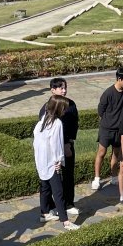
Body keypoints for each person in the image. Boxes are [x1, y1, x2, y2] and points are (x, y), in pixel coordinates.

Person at [34, 96, 80, 230]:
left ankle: (45, 212)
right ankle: (65, 221)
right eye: (64, 108)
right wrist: (59, 160)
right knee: (58, 191)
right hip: (51, 162)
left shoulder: (44, 119)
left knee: (45, 187)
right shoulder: (57, 123)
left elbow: (36, 137)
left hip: (41, 160)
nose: (65, 110)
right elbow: (57, 144)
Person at [40, 78, 79, 219]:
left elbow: (74, 124)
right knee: (50, 178)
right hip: (52, 149)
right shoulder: (46, 108)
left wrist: (69, 142)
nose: (64, 90)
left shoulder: (71, 104)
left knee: (68, 175)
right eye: (61, 88)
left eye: (65, 87)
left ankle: (69, 203)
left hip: (67, 145)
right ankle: (50, 206)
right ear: (53, 90)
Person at [93, 67, 123, 190]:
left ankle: (114, 177)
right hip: (106, 130)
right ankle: (97, 178)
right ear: (119, 79)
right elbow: (101, 111)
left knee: (116, 154)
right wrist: (107, 122)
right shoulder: (108, 93)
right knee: (101, 152)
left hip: (119, 130)